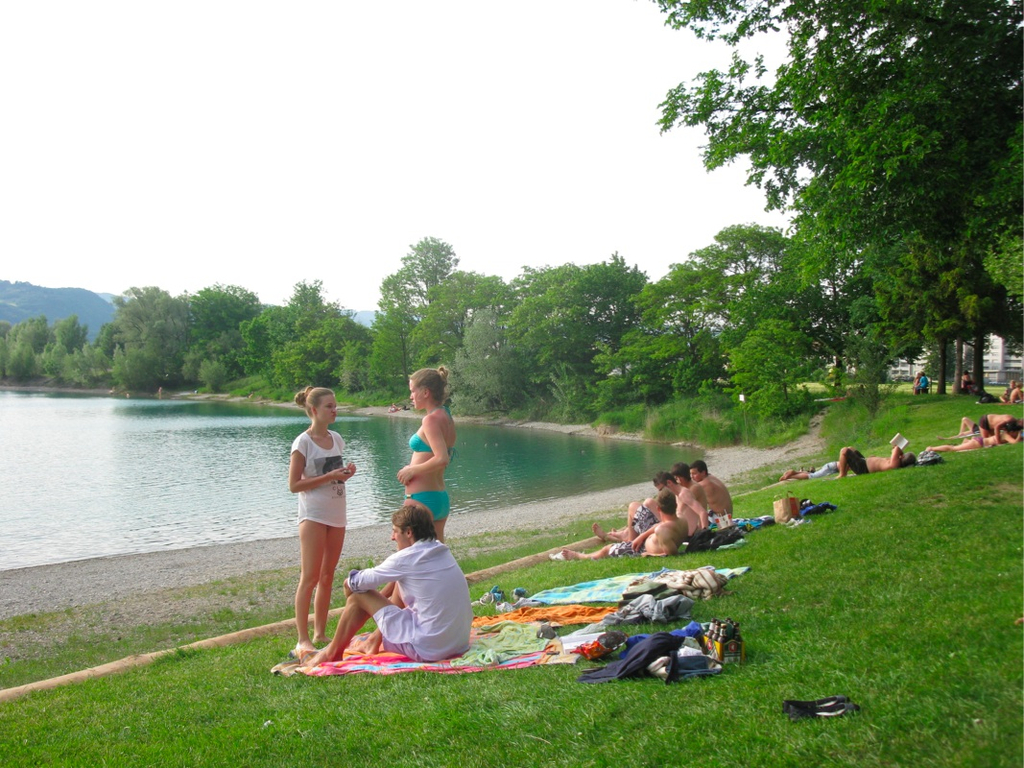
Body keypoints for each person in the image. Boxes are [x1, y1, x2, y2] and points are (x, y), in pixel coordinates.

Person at [304, 504, 472, 667]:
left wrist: (351, 592)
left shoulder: (406, 558)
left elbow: (356, 583)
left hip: (430, 649)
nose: (392, 537)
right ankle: (373, 640)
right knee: (399, 581)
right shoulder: (441, 550)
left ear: (408, 532)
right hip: (458, 643)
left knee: (357, 597)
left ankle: (332, 652)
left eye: (395, 531)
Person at [289, 386, 357, 657]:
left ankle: (320, 632)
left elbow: (334, 477)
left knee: (328, 575)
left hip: (337, 513)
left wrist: (345, 474)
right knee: (310, 577)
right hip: (313, 515)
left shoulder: (336, 438)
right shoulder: (302, 443)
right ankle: (302, 639)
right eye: (329, 406)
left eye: (335, 405)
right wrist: (330, 477)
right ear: (314, 410)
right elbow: (294, 485)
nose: (334, 410)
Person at [398, 366, 457, 542]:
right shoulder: (445, 414)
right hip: (439, 497)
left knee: (408, 552)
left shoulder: (430, 420)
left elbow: (442, 458)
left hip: (421, 499)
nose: (411, 396)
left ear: (425, 392)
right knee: (436, 553)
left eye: (412, 391)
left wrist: (412, 470)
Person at [559, 489, 688, 560]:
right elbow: (659, 526)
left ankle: (580, 556)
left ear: (658, 509)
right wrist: (641, 537)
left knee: (607, 550)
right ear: (675, 505)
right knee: (633, 506)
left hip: (643, 549)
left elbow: (672, 554)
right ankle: (628, 538)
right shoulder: (682, 519)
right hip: (647, 539)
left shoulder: (663, 531)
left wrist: (649, 555)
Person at [592, 472, 671, 543]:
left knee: (641, 504)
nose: (660, 493)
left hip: (661, 531)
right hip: (660, 527)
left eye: (662, 489)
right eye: (659, 491)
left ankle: (611, 537)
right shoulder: (671, 497)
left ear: (670, 483)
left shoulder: (677, 498)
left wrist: (642, 536)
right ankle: (623, 533)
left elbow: (667, 523)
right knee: (645, 504)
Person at [836, 445, 916, 477]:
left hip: (863, 468)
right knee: (850, 448)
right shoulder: (895, 462)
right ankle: (844, 472)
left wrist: (899, 450)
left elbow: (897, 448)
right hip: (864, 462)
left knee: (844, 451)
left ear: (902, 457)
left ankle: (842, 474)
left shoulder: (895, 464)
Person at [942, 414, 1023, 444]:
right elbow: (997, 427)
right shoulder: (1009, 420)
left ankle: (967, 441)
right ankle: (967, 441)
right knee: (985, 440)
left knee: (991, 439)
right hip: (985, 421)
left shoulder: (1013, 423)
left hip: (991, 424)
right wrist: (999, 442)